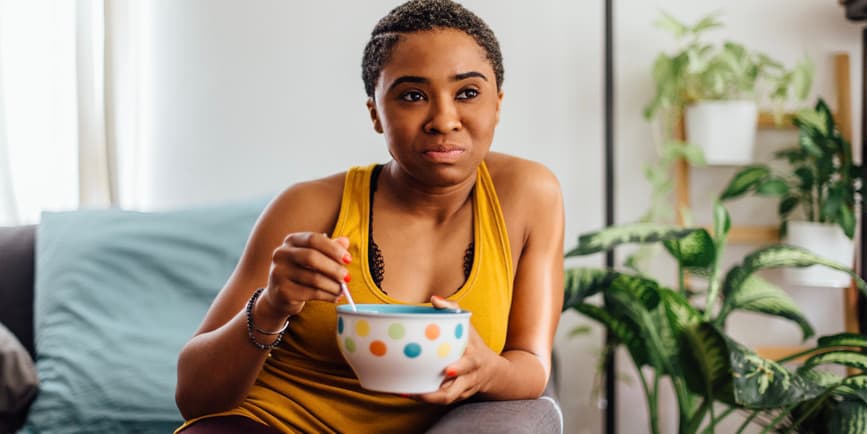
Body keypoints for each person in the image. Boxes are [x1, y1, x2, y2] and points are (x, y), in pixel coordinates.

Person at [174, 0, 564, 432]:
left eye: (467, 93)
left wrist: (486, 369)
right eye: (413, 96)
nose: (443, 119)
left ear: (498, 104)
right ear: (376, 113)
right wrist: (272, 305)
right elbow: (194, 396)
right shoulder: (307, 207)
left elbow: (531, 362)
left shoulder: (529, 195)